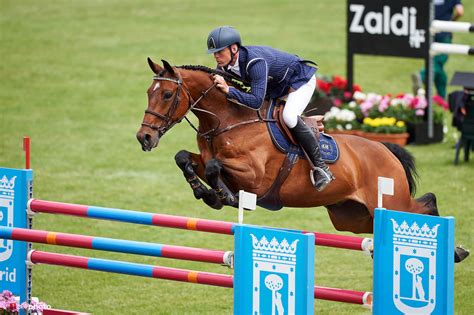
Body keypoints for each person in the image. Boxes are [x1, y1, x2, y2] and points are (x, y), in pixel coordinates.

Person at [206, 26, 334, 191]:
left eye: (219, 51)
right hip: (276, 87)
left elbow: (256, 101)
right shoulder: (224, 66)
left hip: (299, 81)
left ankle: (321, 168)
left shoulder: (255, 63)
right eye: (214, 53)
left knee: (289, 116)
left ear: (234, 48)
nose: (216, 56)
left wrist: (229, 90)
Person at [415, 0, 464, 98]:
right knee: (437, 62)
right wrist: (452, 23)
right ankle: (422, 76)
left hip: (429, 32)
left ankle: (441, 98)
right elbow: (460, 11)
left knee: (438, 67)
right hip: (444, 33)